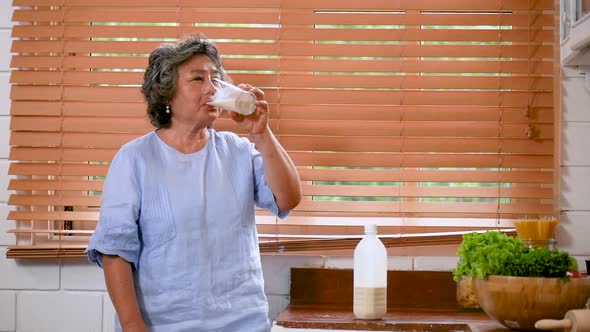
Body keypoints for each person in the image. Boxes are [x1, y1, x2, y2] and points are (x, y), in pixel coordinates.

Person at [86, 34, 302, 332]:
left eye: (216, 78)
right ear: (166, 93)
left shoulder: (237, 150)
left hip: (243, 322)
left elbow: (287, 198)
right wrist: (133, 325)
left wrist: (261, 134)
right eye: (198, 79)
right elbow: (115, 251)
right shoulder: (135, 158)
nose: (212, 88)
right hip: (163, 325)